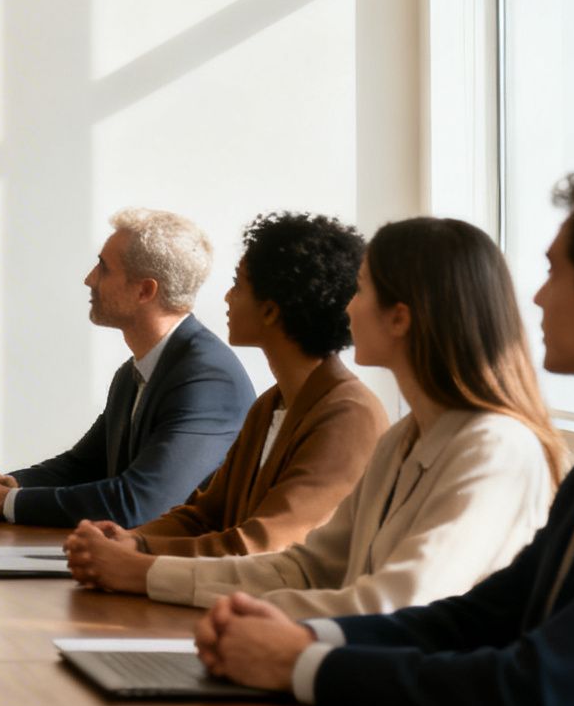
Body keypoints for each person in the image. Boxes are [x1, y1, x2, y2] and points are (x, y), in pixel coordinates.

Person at [198, 166, 574, 706]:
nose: (536, 297)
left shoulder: (538, 455)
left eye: (552, 272)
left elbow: (538, 694)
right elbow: (473, 619)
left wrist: (302, 662)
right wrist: (308, 643)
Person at [131, 217, 566, 618]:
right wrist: (142, 565)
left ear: (399, 319)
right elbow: (308, 568)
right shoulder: (400, 440)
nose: (347, 305)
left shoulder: (496, 449)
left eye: (359, 289)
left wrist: (266, 623)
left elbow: (399, 603)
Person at [64, 212, 387, 587]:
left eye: (238, 285)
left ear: (270, 309)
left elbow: (261, 546)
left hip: (287, 626)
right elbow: (205, 514)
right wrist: (131, 539)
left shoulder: (349, 415)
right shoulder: (271, 405)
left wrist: (137, 559)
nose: (227, 297)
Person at [0, 208, 255, 527]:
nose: (89, 279)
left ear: (145, 290)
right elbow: (81, 467)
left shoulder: (209, 380)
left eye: (104, 269)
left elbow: (141, 503)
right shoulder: (133, 373)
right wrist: (7, 484)